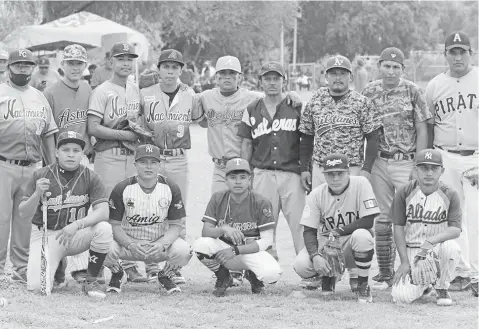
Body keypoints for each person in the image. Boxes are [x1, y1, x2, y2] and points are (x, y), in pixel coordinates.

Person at [361, 47, 431, 290]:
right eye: (386, 66)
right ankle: (385, 272)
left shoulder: (413, 90)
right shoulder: (369, 91)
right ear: (378, 66)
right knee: (382, 217)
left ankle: (419, 270)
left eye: (396, 67)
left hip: (406, 161)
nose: (390, 71)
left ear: (403, 68)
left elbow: (422, 128)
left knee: (413, 216)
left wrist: (419, 163)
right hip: (380, 160)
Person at [139, 49, 205, 283]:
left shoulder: (190, 95)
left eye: (175, 67)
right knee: (148, 210)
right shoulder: (145, 93)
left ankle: (173, 267)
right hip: (151, 159)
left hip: (178, 157)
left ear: (180, 70)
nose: (170, 71)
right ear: (159, 68)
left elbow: (203, 118)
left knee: (177, 211)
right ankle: (151, 265)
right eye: (166, 66)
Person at [21, 131, 112, 298]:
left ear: (82, 154)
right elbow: (23, 213)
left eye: (76, 150)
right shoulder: (41, 175)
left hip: (75, 234)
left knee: (104, 228)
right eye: (66, 149)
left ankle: (92, 280)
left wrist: (78, 225)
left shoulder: (91, 176)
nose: (71, 154)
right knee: (36, 288)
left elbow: (104, 212)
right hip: (46, 235)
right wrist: (36, 194)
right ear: (56, 153)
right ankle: (58, 266)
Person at [87, 42, 146, 283]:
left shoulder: (135, 89)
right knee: (105, 211)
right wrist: (125, 135)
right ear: (111, 62)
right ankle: (101, 264)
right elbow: (93, 128)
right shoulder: (102, 90)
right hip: (108, 155)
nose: (125, 63)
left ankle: (130, 264)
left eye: (129, 59)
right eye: (120, 58)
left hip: (130, 157)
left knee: (130, 210)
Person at [425, 31, 478, 296]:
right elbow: (429, 125)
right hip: (444, 156)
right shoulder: (434, 85)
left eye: (462, 52)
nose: (457, 57)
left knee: (476, 216)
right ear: (445, 55)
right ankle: (462, 272)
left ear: (471, 53)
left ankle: (477, 274)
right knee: (454, 217)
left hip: (476, 156)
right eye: (452, 52)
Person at [0, 48, 58, 283]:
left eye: (27, 65)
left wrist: (53, 166)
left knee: (25, 218)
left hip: (32, 166)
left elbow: (48, 134)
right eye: (18, 64)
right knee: (1, 218)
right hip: (3, 164)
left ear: (32, 68)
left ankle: (20, 267)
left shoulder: (39, 96)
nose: (23, 68)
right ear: (9, 67)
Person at [103, 144, 192, 295]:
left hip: (158, 244)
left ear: (159, 164)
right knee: (101, 245)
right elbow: (115, 226)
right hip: (129, 244)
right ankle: (117, 273)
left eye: (153, 162)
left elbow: (176, 226)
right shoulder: (122, 188)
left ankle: (165, 275)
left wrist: (162, 244)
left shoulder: (170, 187)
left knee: (184, 250)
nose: (148, 167)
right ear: (135, 164)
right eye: (143, 162)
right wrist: (130, 244)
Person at [239, 61, 305, 262]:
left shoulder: (295, 106)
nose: (272, 82)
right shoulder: (251, 109)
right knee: (264, 224)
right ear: (260, 82)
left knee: (300, 224)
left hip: (291, 173)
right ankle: (267, 267)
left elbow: (306, 140)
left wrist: (305, 169)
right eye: (267, 78)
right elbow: (246, 144)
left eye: (276, 78)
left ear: (284, 81)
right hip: (262, 173)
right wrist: (245, 174)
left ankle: (307, 267)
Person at [43, 44, 97, 285]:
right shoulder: (51, 92)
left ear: (85, 66)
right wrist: (50, 160)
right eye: (70, 63)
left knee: (80, 210)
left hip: (82, 157)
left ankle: (80, 266)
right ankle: (57, 263)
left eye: (79, 63)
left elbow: (92, 124)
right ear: (62, 65)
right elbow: (46, 131)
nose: (75, 67)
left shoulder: (88, 89)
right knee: (56, 211)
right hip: (57, 159)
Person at [293, 154, 379, 302]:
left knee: (362, 236)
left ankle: (363, 285)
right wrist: (315, 256)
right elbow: (309, 231)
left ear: (348, 172)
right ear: (324, 176)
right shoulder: (316, 194)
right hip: (328, 245)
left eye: (340, 173)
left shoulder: (361, 184)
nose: (336, 178)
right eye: (331, 174)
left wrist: (339, 231)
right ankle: (328, 277)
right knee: (301, 265)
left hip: (352, 243)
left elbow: (368, 221)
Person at [193, 158, 282, 297]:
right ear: (226, 179)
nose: (238, 181)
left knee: (272, 275)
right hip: (225, 252)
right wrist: (224, 229)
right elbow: (206, 232)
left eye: (242, 177)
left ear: (249, 179)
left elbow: (266, 241)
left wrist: (235, 250)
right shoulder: (218, 198)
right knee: (200, 245)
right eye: (233, 177)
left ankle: (253, 276)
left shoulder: (261, 202)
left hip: (251, 252)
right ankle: (223, 277)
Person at [299, 55, 382, 191]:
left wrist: (366, 169)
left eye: (343, 74)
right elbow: (306, 138)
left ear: (350, 76)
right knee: (321, 211)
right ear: (326, 76)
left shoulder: (361, 102)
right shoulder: (316, 100)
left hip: (351, 169)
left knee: (351, 211)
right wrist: (304, 168)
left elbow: (373, 138)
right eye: (333, 74)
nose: (338, 78)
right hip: (321, 169)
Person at [391, 149, 462, 306]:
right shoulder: (404, 191)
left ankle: (441, 286)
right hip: (412, 250)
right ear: (415, 170)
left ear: (441, 171)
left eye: (434, 168)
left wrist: (431, 241)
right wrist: (404, 262)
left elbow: (456, 229)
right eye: (424, 168)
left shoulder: (450, 194)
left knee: (452, 248)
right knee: (401, 297)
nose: (429, 173)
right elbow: (398, 227)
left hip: (436, 249)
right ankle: (425, 285)